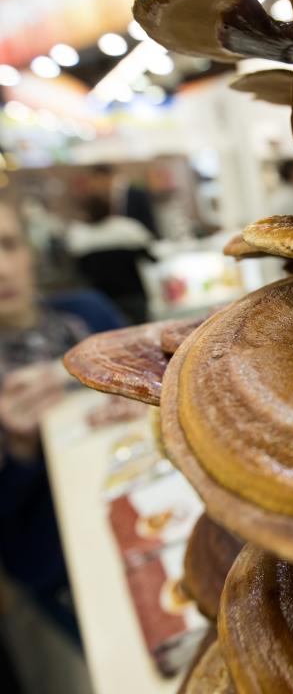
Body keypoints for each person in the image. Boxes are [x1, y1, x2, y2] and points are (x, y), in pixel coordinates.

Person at [0, 198, 126, 660]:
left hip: (146, 506)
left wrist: (133, 394)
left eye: (8, 245)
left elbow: (162, 371)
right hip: (58, 565)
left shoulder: (87, 314)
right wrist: (19, 451)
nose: (1, 268)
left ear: (29, 252)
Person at [66, 193, 155, 324]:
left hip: (103, 299)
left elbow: (80, 271)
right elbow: (151, 257)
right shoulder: (128, 229)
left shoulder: (80, 237)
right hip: (133, 294)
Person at [86, 164, 159, 238]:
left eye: (100, 181)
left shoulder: (136, 195)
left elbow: (148, 224)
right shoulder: (96, 200)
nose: (97, 186)